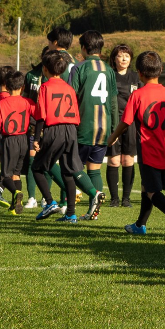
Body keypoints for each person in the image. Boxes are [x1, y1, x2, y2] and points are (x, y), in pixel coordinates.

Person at [108, 51, 165, 237]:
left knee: (152, 191)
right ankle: (140, 224)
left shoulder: (137, 95)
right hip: (164, 148)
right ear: (160, 70)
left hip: (146, 147)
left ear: (139, 74)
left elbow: (126, 122)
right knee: (147, 187)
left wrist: (112, 137)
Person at [31, 47, 96, 223]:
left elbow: (41, 116)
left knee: (37, 167)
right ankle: (71, 214)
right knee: (68, 172)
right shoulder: (69, 88)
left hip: (55, 130)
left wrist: (36, 139)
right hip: (71, 130)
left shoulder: (45, 87)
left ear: (45, 69)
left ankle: (50, 203)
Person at [69, 30, 113, 219]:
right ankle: (93, 211)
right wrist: (114, 129)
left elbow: (71, 97)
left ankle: (69, 208)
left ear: (84, 48)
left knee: (71, 167)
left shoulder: (79, 68)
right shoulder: (109, 70)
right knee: (94, 168)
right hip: (104, 126)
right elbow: (113, 101)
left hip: (84, 125)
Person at [0, 66, 30, 213]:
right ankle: (15, 207)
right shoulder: (25, 102)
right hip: (23, 140)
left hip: (9, 140)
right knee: (16, 174)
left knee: (6, 175)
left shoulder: (1, 101)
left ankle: (15, 193)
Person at [105, 44, 140, 208]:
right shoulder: (109, 75)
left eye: (127, 55)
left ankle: (126, 198)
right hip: (113, 121)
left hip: (131, 123)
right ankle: (114, 199)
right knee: (113, 161)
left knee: (127, 160)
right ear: (114, 58)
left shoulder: (135, 77)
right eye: (120, 55)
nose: (124, 59)